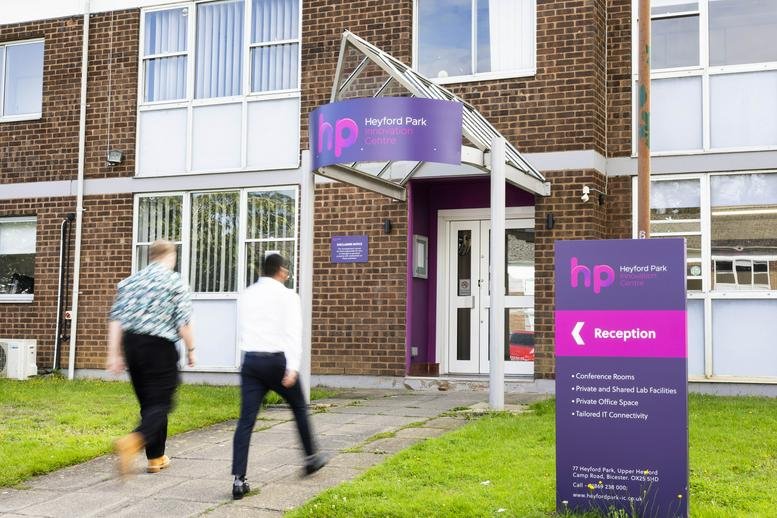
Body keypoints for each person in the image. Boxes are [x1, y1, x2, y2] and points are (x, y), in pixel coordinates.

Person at [231, 253, 326, 500]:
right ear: (281, 271)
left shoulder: (247, 295)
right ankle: (311, 458)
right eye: (287, 271)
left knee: (246, 421)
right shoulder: (288, 296)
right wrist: (293, 367)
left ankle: (239, 480)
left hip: (251, 361)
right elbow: (293, 333)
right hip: (277, 362)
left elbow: (241, 328)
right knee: (298, 407)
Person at [106, 239, 195, 477]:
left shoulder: (130, 282)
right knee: (161, 403)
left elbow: (116, 319)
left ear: (150, 256)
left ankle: (156, 458)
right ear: (171, 256)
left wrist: (113, 354)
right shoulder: (174, 282)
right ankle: (134, 440)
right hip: (159, 347)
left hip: (132, 345)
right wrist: (192, 349)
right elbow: (183, 322)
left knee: (149, 404)